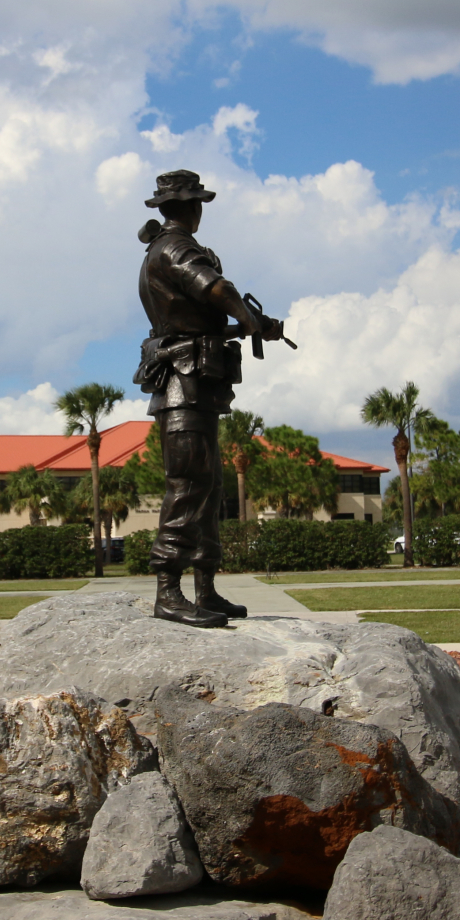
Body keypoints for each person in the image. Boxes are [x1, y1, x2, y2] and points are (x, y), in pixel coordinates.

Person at [133, 169, 287, 627]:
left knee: (209, 486)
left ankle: (205, 589)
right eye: (198, 202)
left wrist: (255, 325)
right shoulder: (174, 248)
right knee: (187, 486)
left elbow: (200, 320)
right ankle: (168, 592)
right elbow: (216, 288)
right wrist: (247, 315)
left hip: (199, 386)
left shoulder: (164, 247)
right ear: (192, 207)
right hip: (184, 386)